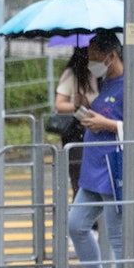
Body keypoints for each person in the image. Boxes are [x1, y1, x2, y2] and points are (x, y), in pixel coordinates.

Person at [67, 30, 134, 268]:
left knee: (118, 238)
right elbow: (101, 118)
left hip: (116, 171)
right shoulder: (104, 84)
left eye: (93, 57)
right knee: (76, 224)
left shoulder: (132, 85)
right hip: (93, 171)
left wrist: (109, 124)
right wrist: (86, 112)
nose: (90, 63)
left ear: (110, 55)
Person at [53, 46, 99, 196]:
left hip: (96, 130)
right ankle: (82, 214)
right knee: (79, 178)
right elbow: (59, 104)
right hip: (77, 132)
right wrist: (78, 105)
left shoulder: (99, 74)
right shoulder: (72, 74)